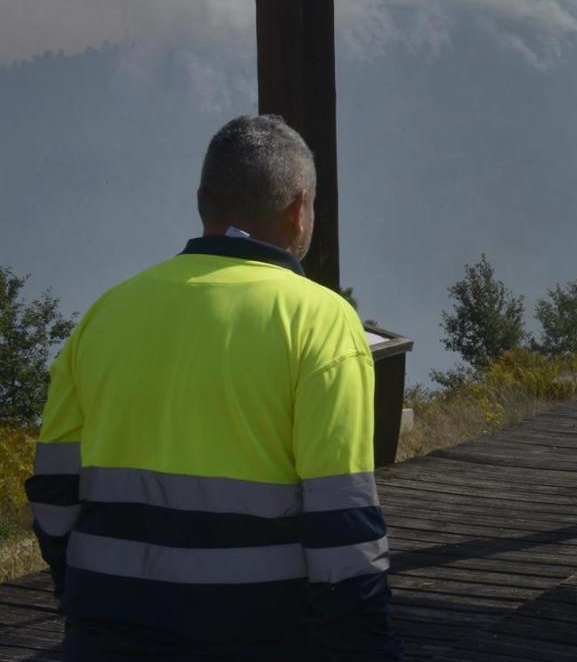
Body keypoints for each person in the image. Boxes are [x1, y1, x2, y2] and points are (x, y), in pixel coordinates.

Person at [24, 115, 400, 660]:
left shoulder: (107, 312)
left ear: (203, 202)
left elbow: (55, 488)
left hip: (106, 622)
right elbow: (341, 519)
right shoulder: (320, 320)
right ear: (299, 209)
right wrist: (367, 644)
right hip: (259, 627)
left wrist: (81, 594)